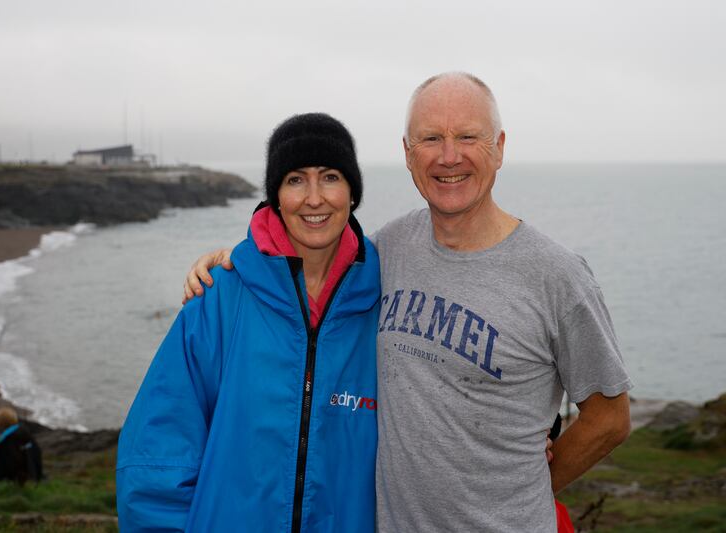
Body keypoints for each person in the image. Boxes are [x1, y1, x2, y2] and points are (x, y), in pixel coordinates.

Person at [183, 72, 633, 532]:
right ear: (407, 153)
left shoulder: (557, 276)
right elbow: (312, 261)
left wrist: (533, 487)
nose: (449, 156)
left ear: (499, 146)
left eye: (468, 137)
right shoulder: (387, 251)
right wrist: (235, 260)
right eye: (431, 138)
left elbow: (610, 419)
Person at [116, 113, 380, 532]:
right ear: (276, 195)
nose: (314, 198)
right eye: (295, 179)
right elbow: (156, 456)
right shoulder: (218, 297)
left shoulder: (388, 302)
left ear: (352, 192)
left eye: (330, 177)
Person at [0, 406, 43, 486]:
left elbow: (11, 459)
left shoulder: (9, 439)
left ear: (0, 422)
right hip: (31, 472)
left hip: (16, 476)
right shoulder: (24, 433)